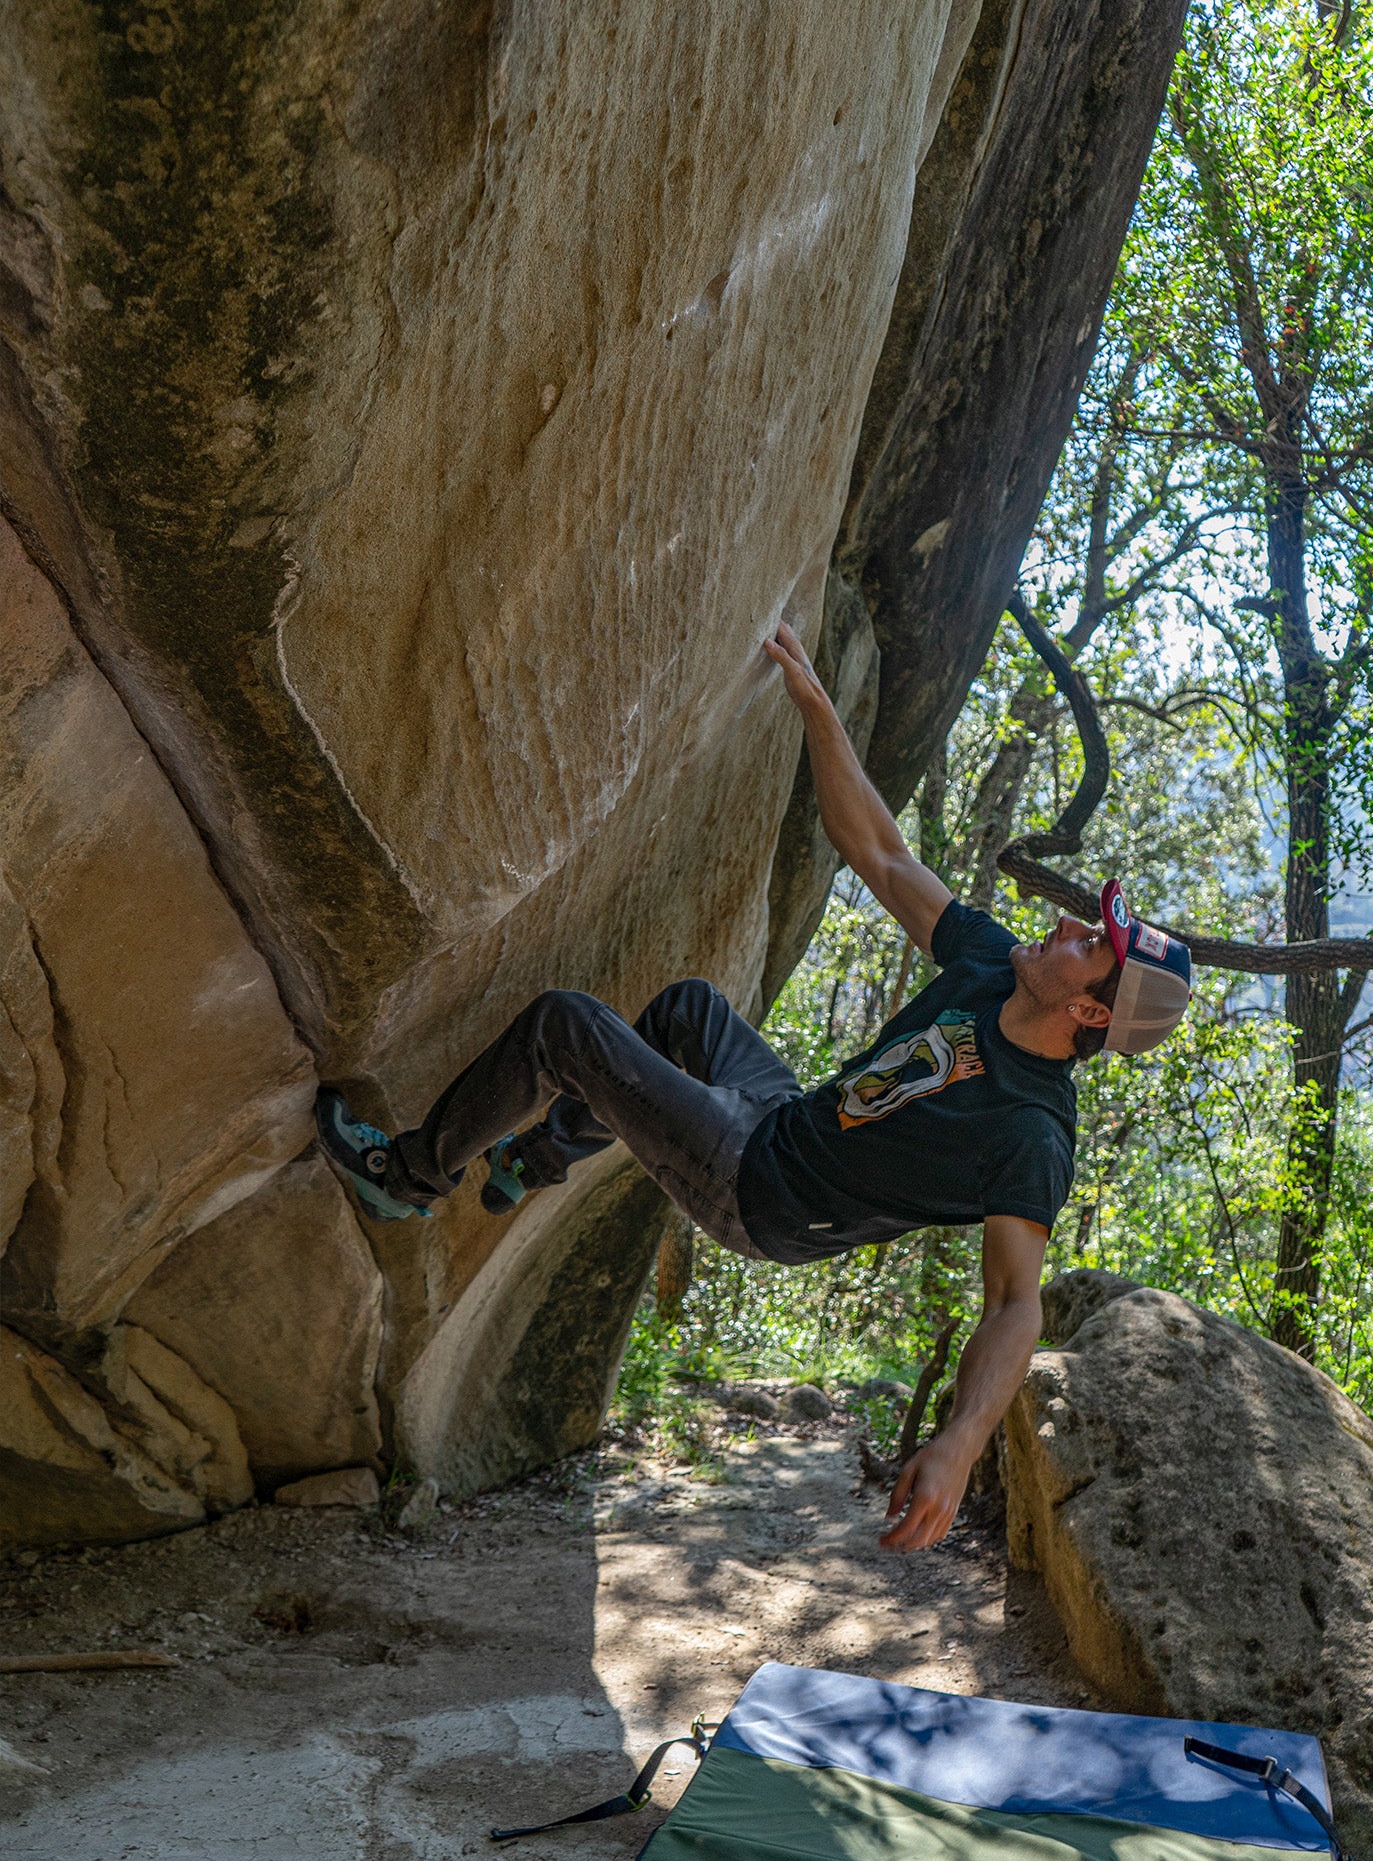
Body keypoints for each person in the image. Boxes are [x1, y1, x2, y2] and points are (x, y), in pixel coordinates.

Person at [315, 622, 1192, 1549]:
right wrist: (816, 705)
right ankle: (532, 1157)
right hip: (783, 1118)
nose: (1064, 928)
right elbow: (882, 854)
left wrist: (962, 1440)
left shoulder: (1032, 1131)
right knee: (689, 1009)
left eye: (1089, 944)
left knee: (563, 1026)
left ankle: (406, 1180)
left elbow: (1016, 1304)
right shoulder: (990, 967)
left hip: (764, 1195)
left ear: (1093, 1014)